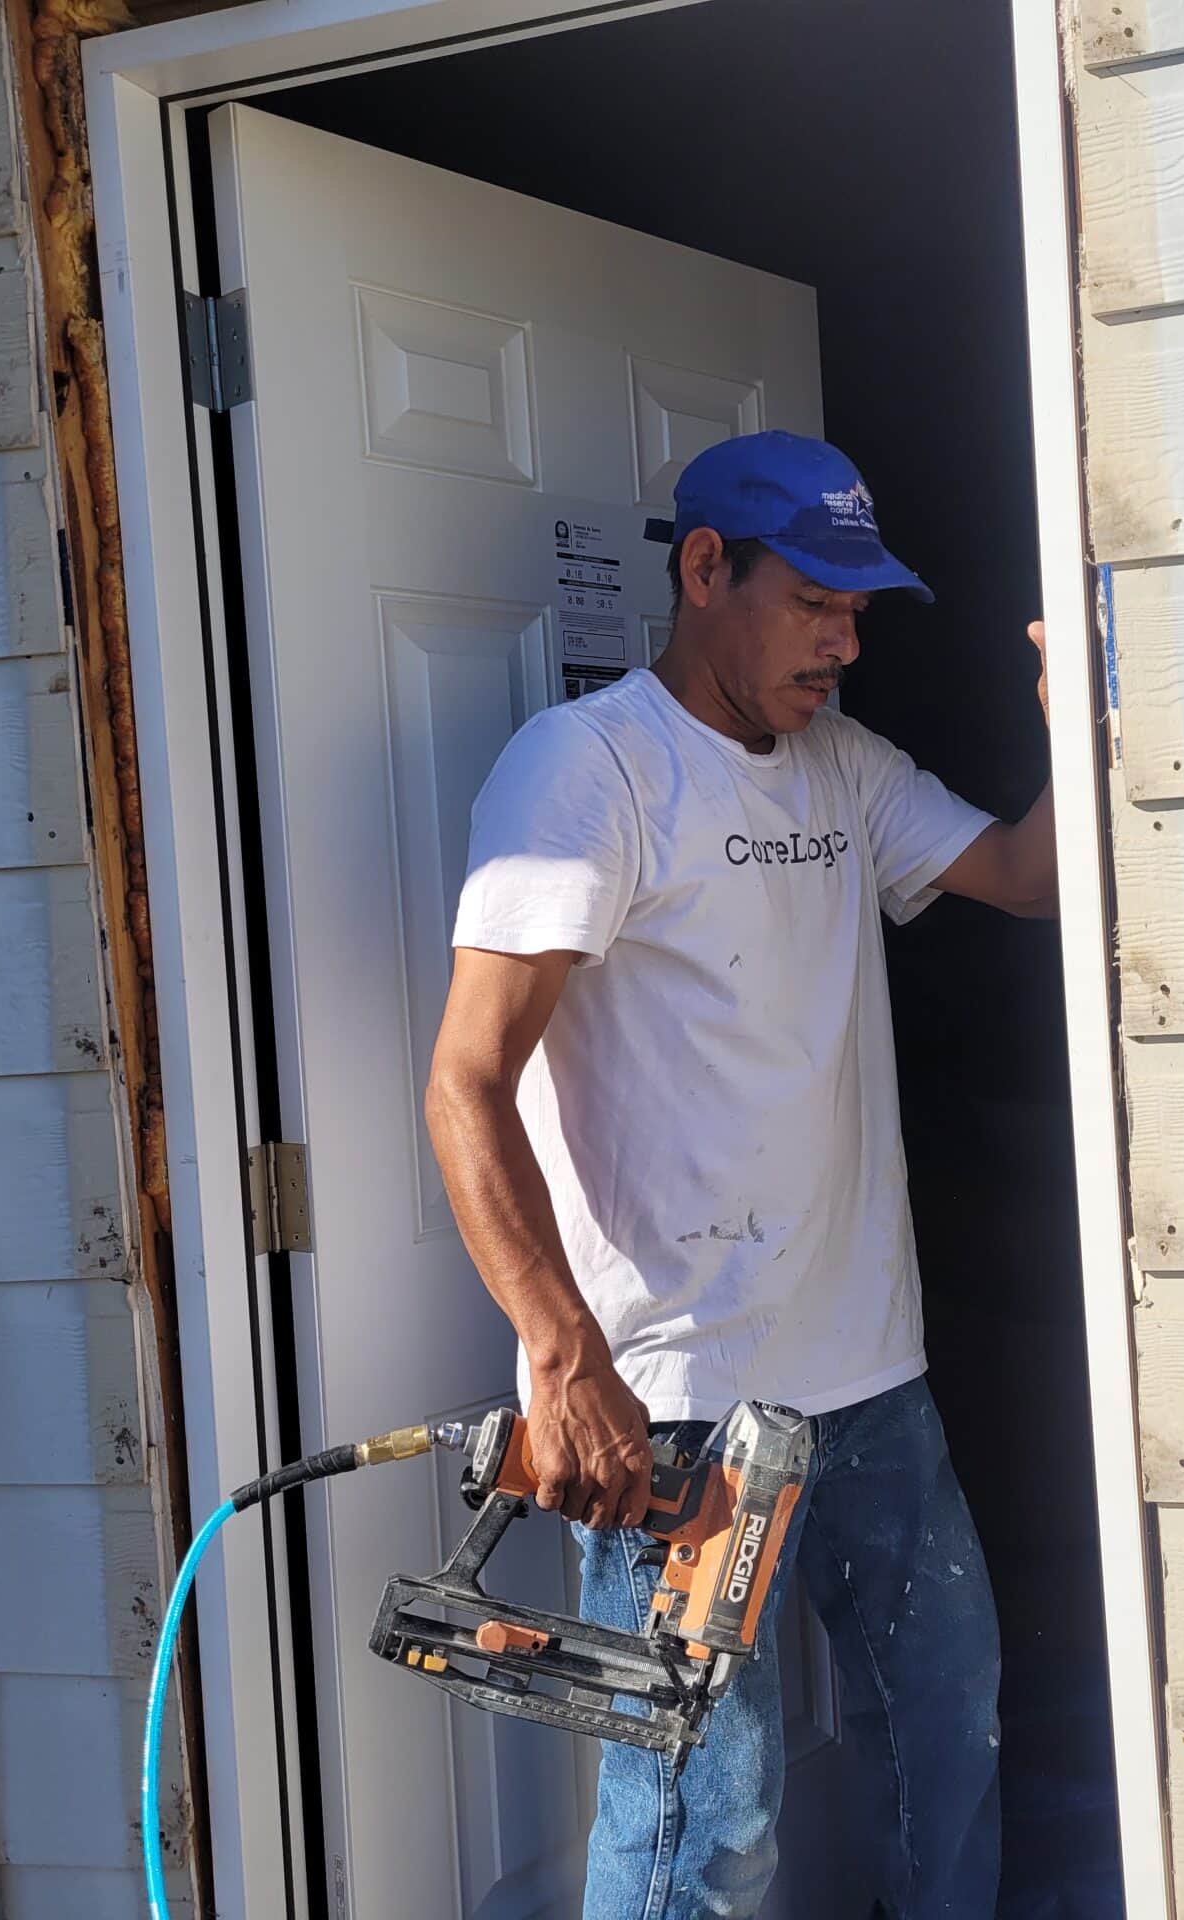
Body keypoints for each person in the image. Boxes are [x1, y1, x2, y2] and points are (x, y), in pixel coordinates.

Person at [426, 430, 1056, 1918]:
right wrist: (562, 1352)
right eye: (814, 600)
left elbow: (1025, 878)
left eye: (859, 610)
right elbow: (465, 1085)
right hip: (683, 1414)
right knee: (707, 1822)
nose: (843, 642)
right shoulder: (591, 773)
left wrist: (1085, 721)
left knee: (947, 1731)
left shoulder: (842, 767)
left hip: (868, 1379)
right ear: (705, 570)